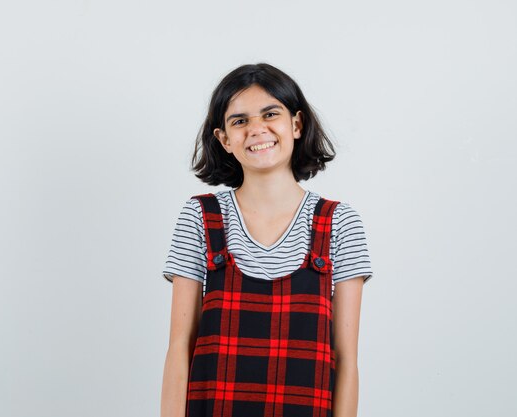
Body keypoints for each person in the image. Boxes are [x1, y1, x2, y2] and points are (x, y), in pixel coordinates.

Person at [160, 63, 373, 417]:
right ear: (224, 139)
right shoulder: (199, 217)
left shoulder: (340, 223)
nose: (257, 129)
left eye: (270, 113)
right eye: (239, 121)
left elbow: (346, 359)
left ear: (296, 124)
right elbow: (180, 346)